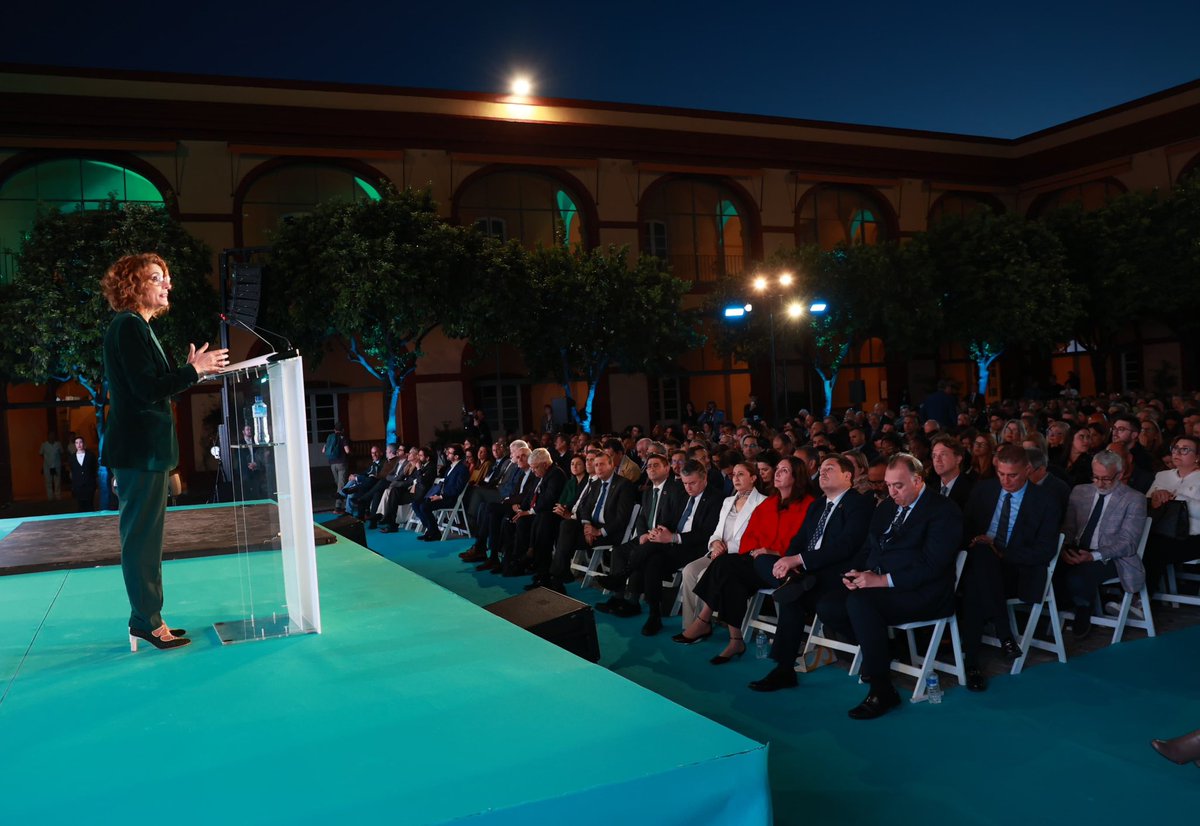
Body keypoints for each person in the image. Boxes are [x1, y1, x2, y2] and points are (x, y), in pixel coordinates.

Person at [100, 252, 228, 651]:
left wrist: (189, 372)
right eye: (157, 277)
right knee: (141, 540)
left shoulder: (137, 327)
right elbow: (146, 390)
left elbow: (151, 387)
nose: (167, 284)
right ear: (133, 286)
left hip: (144, 452)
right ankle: (146, 621)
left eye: (166, 277)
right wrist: (194, 371)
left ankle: (150, 617)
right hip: (139, 452)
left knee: (147, 540)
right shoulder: (128, 326)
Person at [828, 454, 963, 719]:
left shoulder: (943, 510)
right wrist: (856, 573)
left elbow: (932, 565)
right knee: (829, 603)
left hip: (925, 592)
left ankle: (882, 689)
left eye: (898, 485)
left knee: (860, 603)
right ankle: (882, 650)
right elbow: (869, 548)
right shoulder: (887, 507)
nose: (891, 492)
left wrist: (881, 580)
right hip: (883, 586)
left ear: (918, 480)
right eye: (888, 485)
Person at [748, 454, 875, 692]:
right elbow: (799, 540)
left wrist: (798, 560)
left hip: (835, 574)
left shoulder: (859, 503)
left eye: (830, 468)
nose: (823, 472)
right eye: (822, 468)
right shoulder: (818, 505)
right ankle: (791, 580)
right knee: (764, 561)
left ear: (848, 476)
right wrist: (790, 559)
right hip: (806, 572)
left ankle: (784, 669)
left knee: (792, 594)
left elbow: (846, 546)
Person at [681, 456, 813, 664]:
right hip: (758, 562)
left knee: (728, 568)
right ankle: (734, 639)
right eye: (776, 468)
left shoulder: (808, 505)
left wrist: (772, 551)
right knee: (727, 570)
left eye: (784, 470)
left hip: (785, 567)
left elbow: (804, 543)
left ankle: (706, 622)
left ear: (797, 476)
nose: (777, 473)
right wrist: (755, 551)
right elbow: (750, 537)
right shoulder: (770, 503)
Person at [959, 444, 1064, 692]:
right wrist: (977, 541)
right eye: (1001, 474)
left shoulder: (1045, 500)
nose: (1006, 480)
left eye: (1012, 475)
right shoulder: (984, 490)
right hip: (982, 565)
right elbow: (964, 529)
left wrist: (1000, 551)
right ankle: (1004, 634)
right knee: (981, 559)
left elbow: (1045, 550)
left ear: (1027, 469)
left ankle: (971, 662)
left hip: (1018, 570)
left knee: (977, 581)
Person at [1056, 450, 1146, 638]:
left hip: (1113, 557)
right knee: (1050, 569)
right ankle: (1064, 606)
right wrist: (1063, 548)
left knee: (1077, 576)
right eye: (1095, 477)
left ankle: (1083, 607)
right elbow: (1069, 528)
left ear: (1120, 475)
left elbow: (1128, 543)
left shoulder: (1134, 499)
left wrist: (1094, 555)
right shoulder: (1080, 491)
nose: (1099, 483)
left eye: (1106, 479)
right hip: (1079, 549)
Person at [1143, 434, 1200, 595]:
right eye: (1175, 448)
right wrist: (1155, 498)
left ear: (1197, 457)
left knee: (1154, 549)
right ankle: (1127, 595)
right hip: (1162, 530)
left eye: (1185, 450)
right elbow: (1147, 505)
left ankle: (1140, 601)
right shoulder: (1163, 475)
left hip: (1193, 536)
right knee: (1138, 544)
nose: (1177, 453)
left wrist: (1177, 498)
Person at [68, 435, 99, 511]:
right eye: (76, 443)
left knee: (90, 504)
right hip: (78, 485)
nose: (79, 444)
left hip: (89, 484)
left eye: (80, 442)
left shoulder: (90, 455)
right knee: (80, 505)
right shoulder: (72, 457)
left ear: (84, 443)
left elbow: (94, 468)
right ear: (75, 445)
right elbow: (72, 470)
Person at [39, 432, 63, 501]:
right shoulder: (44, 445)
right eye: (50, 435)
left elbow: (61, 453)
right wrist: (46, 461)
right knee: (48, 481)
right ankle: (50, 497)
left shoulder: (58, 444)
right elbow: (41, 454)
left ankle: (58, 496)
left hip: (57, 465)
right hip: (47, 466)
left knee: (57, 481)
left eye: (53, 436)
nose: (52, 437)